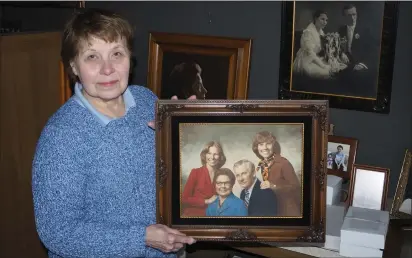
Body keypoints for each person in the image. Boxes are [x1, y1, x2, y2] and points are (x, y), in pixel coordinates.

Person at [31, 9, 196, 258]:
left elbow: (168, 174)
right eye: (92, 57)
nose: (107, 69)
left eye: (116, 54)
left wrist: (187, 133)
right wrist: (142, 238)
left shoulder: (146, 100)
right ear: (74, 66)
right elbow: (58, 233)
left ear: (130, 57)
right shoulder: (61, 137)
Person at [252, 131, 302, 217]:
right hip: (274, 207)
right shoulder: (263, 164)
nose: (264, 148)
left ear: (274, 146)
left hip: (288, 210)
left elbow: (296, 186)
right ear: (256, 147)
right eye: (261, 144)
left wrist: (274, 186)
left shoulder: (284, 163)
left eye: (268, 144)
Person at [181, 141, 226, 216]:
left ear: (220, 156)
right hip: (194, 215)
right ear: (204, 155)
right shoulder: (195, 172)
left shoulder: (222, 174)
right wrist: (206, 201)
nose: (212, 157)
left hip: (214, 215)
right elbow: (184, 199)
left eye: (216, 154)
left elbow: (227, 197)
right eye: (209, 153)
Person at [293, 10, 331, 79]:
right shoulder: (308, 32)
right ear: (315, 18)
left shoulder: (321, 32)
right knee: (325, 72)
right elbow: (310, 53)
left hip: (316, 57)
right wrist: (323, 65)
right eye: (322, 19)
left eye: (326, 20)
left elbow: (321, 49)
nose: (325, 22)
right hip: (306, 60)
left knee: (334, 67)